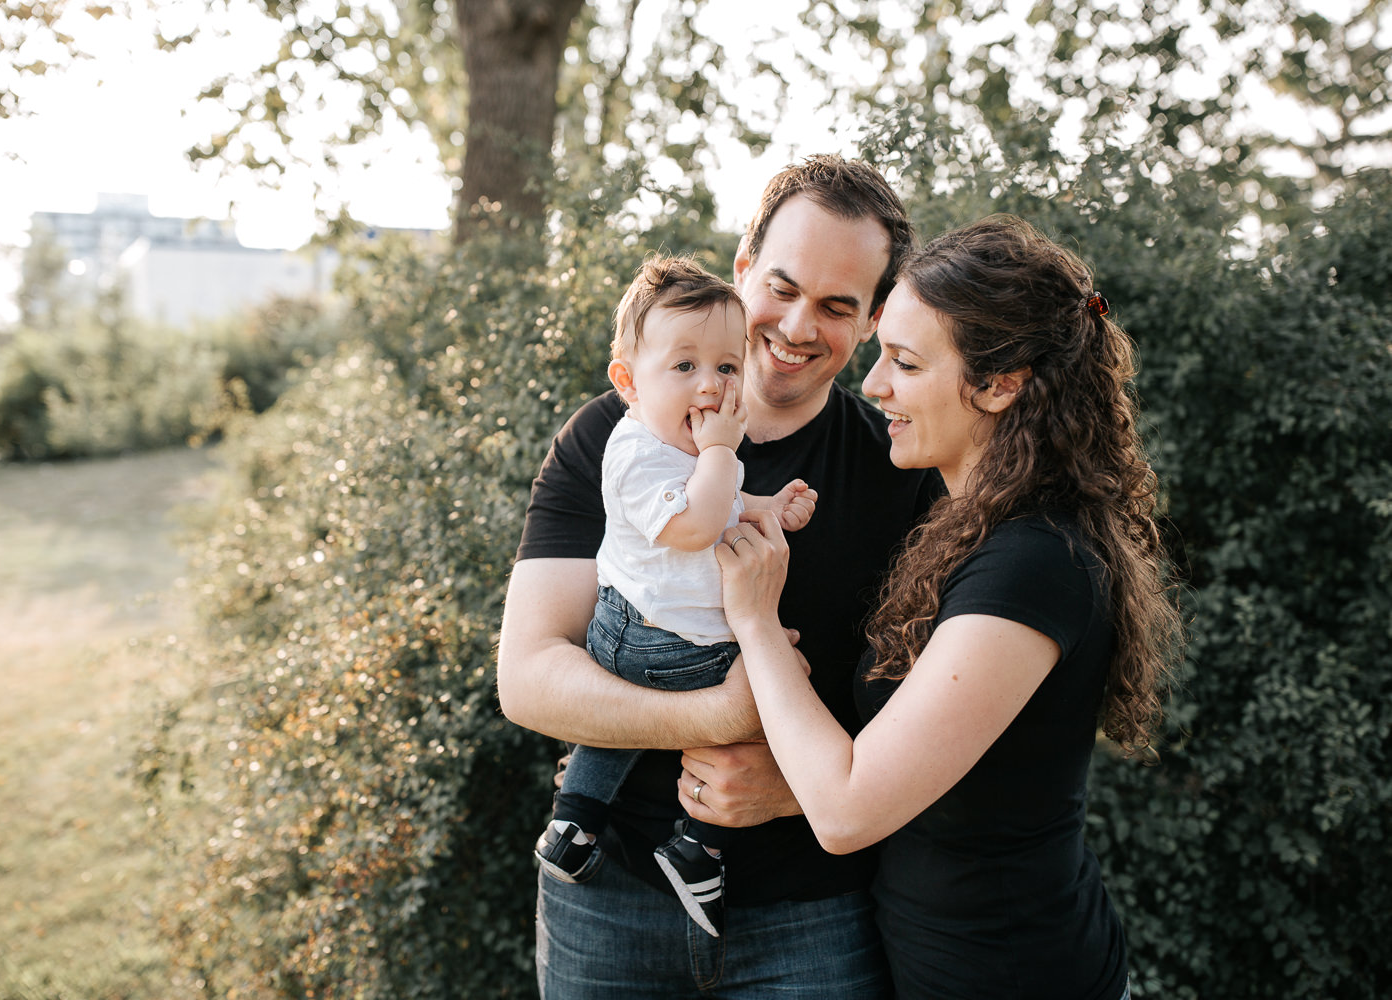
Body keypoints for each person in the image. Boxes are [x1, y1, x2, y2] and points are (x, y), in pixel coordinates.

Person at [498, 155, 942, 998]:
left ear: (874, 319)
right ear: (743, 268)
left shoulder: (904, 465)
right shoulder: (607, 438)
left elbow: (936, 710)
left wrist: (808, 790)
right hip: (609, 900)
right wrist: (714, 715)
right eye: (781, 287)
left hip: (813, 913)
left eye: (838, 306)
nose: (799, 326)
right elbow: (528, 677)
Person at [715, 214, 1183, 1000]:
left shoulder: (1035, 563)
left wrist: (756, 623)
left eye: (904, 362)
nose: (872, 385)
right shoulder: (972, 525)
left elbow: (847, 811)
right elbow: (960, 774)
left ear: (1000, 384)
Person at [533, 253, 819, 938]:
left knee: (629, 725)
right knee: (781, 674)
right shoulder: (634, 451)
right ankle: (697, 843)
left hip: (655, 631)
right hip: (651, 636)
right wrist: (723, 450)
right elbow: (694, 526)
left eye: (726, 366)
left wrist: (768, 505)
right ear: (629, 383)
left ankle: (574, 823)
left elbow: (719, 504)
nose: (711, 385)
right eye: (684, 367)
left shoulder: (688, 453)